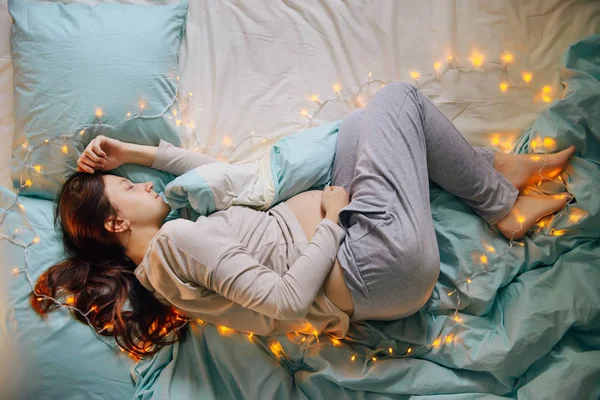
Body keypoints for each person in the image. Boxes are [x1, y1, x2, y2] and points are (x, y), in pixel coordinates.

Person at [31, 82, 575, 357]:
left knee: (362, 123)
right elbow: (286, 300)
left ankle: (497, 170)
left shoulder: (176, 249)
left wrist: (136, 151)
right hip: (371, 263)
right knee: (397, 97)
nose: (144, 185)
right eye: (128, 187)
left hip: (364, 256)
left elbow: (219, 177)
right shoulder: (174, 245)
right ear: (116, 224)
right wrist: (333, 221)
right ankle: (503, 205)